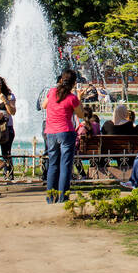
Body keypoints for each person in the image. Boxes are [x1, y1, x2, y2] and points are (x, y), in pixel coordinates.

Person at [44, 70, 86, 203]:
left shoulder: (51, 92)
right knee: (65, 165)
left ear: (61, 80)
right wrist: (80, 98)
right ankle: (63, 197)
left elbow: (44, 105)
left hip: (50, 132)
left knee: (53, 164)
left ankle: (50, 197)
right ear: (74, 83)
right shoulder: (72, 97)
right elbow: (80, 115)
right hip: (66, 132)